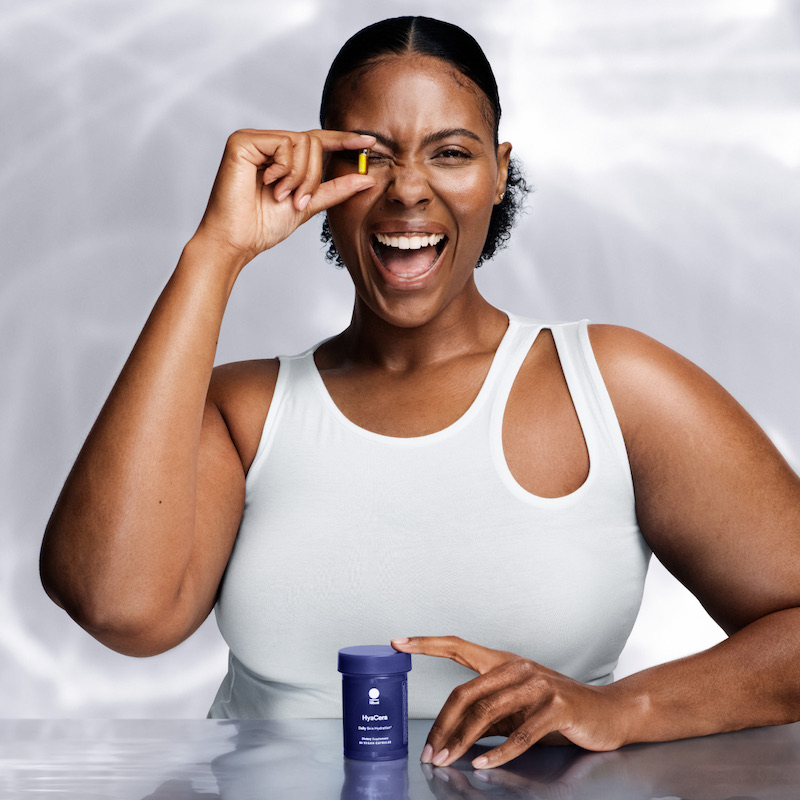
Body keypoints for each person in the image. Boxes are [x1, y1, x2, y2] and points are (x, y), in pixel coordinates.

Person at [40, 16, 800, 770]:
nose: (408, 190)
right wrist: (216, 251)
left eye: (452, 153)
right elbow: (116, 608)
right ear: (321, 179)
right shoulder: (241, 411)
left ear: (499, 172)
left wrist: (626, 707)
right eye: (369, 159)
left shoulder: (613, 388)